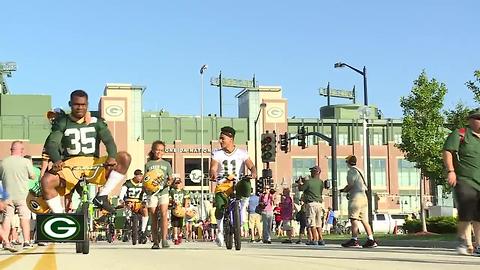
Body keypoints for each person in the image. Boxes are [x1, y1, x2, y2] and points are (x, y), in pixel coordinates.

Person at [40, 90, 131, 214]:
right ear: (70, 104)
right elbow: (52, 144)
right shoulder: (63, 122)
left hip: (93, 164)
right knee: (46, 181)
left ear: (87, 104)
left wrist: (111, 157)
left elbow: (109, 141)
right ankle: (60, 217)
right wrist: (57, 160)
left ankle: (102, 196)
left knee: (124, 157)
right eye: (77, 104)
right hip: (70, 165)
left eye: (83, 105)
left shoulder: (96, 122)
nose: (80, 107)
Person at [209, 126, 257, 247]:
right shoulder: (217, 153)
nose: (220, 141)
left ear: (231, 138)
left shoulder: (242, 153)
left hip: (237, 182)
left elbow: (251, 165)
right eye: (220, 138)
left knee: (246, 184)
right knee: (219, 206)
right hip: (223, 184)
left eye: (222, 138)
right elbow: (213, 167)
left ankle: (243, 208)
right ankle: (220, 231)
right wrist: (213, 174)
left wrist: (254, 172)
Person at [443, 108, 480, 256]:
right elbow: (447, 151)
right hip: (465, 180)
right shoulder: (460, 134)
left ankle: (478, 245)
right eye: (478, 118)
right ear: (471, 120)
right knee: (466, 210)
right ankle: (463, 240)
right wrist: (451, 171)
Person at [0, 141, 35, 249]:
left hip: (7, 196)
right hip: (22, 195)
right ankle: (26, 241)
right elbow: (33, 176)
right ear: (22, 150)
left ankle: (6, 242)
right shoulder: (26, 162)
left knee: (7, 218)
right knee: (24, 218)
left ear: (11, 150)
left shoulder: (3, 162)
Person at [340, 155, 377, 248]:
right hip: (363, 197)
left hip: (356, 198)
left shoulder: (351, 171)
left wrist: (343, 190)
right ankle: (371, 239)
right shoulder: (360, 171)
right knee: (364, 220)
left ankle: (354, 240)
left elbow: (351, 184)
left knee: (353, 219)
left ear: (348, 162)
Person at [144, 140, 173, 249]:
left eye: (161, 150)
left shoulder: (166, 164)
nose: (159, 152)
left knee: (164, 213)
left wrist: (167, 183)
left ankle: (164, 239)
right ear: (153, 150)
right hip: (152, 193)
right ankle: (155, 241)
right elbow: (145, 180)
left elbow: (170, 179)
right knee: (154, 215)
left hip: (163, 192)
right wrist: (146, 190)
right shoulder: (148, 164)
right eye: (157, 150)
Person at [118, 169, 148, 243]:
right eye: (139, 176)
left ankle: (143, 231)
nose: (141, 178)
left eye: (141, 176)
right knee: (128, 209)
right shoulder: (128, 183)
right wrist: (121, 200)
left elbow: (146, 193)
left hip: (139, 202)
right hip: (129, 202)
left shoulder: (143, 184)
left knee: (145, 211)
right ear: (135, 176)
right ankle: (128, 223)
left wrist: (145, 201)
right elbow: (122, 193)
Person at [298, 166, 325, 246]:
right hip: (319, 204)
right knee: (318, 222)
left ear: (314, 172)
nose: (310, 173)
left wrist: (300, 183)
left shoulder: (308, 182)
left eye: (311, 171)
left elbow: (301, 189)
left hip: (311, 204)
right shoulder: (321, 182)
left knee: (311, 222)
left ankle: (314, 239)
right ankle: (321, 239)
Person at [169, 176, 190, 245]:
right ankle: (175, 237)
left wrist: (185, 208)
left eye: (179, 183)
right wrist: (173, 202)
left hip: (181, 209)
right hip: (174, 209)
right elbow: (169, 199)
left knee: (180, 224)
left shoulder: (184, 191)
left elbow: (186, 200)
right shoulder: (172, 191)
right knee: (175, 224)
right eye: (176, 183)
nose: (177, 184)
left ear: (181, 183)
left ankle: (180, 234)